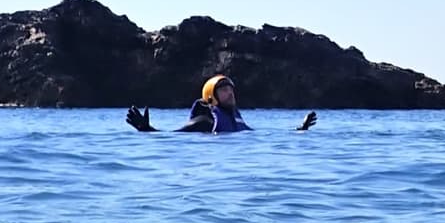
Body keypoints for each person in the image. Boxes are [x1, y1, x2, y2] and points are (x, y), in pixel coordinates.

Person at [126, 75, 317, 133]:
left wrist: (300, 129)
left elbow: (265, 136)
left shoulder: (238, 121)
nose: (230, 93)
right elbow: (171, 136)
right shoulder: (204, 122)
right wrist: (146, 129)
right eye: (224, 90)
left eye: (231, 89)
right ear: (211, 97)